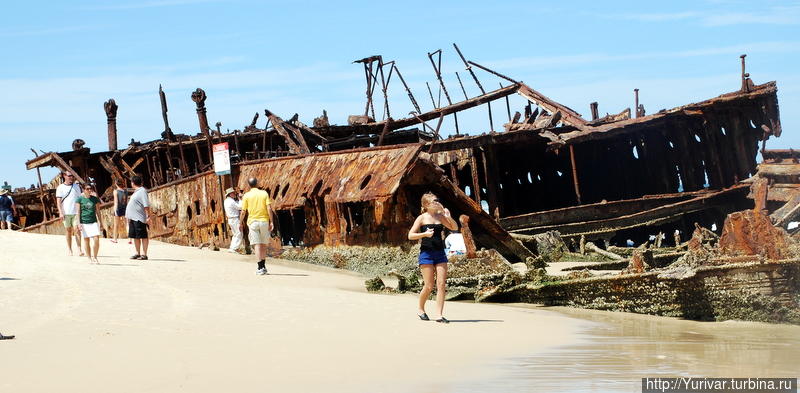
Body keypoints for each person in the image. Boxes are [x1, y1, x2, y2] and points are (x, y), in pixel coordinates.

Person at [407, 192, 458, 323]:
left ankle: (439, 315)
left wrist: (449, 217)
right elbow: (410, 235)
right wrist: (424, 234)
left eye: (438, 200)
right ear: (426, 205)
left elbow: (455, 228)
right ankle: (420, 309)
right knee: (429, 285)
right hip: (426, 254)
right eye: (434, 201)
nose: (437, 202)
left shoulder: (441, 216)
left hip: (440, 253)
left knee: (441, 284)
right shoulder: (422, 218)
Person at [239, 178, 274, 275]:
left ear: (249, 185)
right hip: (264, 221)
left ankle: (260, 267)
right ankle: (264, 266)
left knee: (256, 244)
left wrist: (240, 222)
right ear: (257, 183)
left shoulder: (246, 195)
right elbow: (269, 208)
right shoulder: (264, 193)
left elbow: (243, 211)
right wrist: (271, 221)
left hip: (253, 222)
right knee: (263, 244)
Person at [55, 172, 83, 256]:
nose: (71, 177)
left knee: (77, 230)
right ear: (64, 176)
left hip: (75, 212)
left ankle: (79, 249)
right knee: (68, 231)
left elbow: (79, 200)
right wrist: (60, 212)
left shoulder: (76, 186)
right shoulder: (60, 187)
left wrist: (80, 211)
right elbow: (58, 202)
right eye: (69, 176)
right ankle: (70, 249)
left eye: (72, 176)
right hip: (66, 213)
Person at [75, 184, 104, 264]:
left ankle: (95, 257)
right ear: (83, 190)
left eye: (90, 189)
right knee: (86, 240)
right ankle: (89, 258)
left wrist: (101, 223)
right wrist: (78, 223)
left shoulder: (95, 199)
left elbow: (98, 211)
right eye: (87, 189)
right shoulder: (79, 199)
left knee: (96, 239)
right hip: (84, 222)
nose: (89, 190)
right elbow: (78, 212)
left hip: (93, 222)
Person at [125, 175, 151, 260]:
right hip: (133, 218)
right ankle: (137, 253)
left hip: (139, 218)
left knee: (143, 236)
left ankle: (144, 254)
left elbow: (146, 205)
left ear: (133, 183)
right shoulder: (137, 191)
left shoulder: (142, 191)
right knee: (135, 236)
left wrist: (148, 216)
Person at [224, 187, 243, 253]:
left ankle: (232, 247)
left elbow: (235, 205)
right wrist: (240, 199)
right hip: (234, 219)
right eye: (233, 193)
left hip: (230, 219)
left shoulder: (226, 201)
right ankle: (234, 248)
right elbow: (240, 207)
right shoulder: (231, 201)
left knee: (235, 234)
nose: (234, 194)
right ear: (230, 194)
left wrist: (238, 200)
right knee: (239, 234)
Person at [112, 179, 130, 244]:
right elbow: (127, 201)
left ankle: (115, 239)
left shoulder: (115, 191)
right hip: (125, 208)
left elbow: (116, 202)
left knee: (116, 225)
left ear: (116, 184)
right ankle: (130, 239)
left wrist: (115, 210)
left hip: (118, 209)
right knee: (127, 224)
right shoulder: (126, 191)